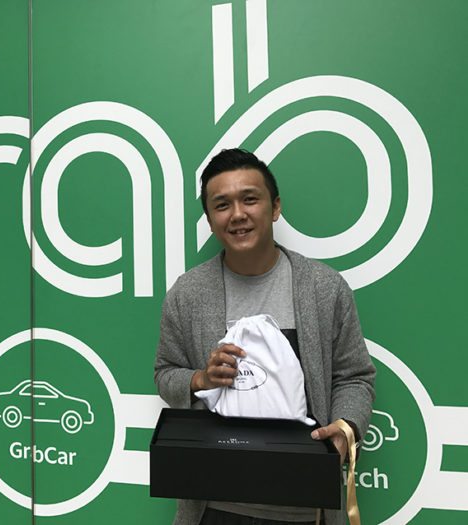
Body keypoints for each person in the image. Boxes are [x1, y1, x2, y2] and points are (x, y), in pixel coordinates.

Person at [154, 148, 375, 525]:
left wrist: (345, 428)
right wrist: (201, 379)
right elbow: (165, 373)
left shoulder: (324, 288)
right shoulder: (187, 294)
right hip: (214, 506)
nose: (237, 214)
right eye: (222, 204)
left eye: (250, 199)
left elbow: (354, 377)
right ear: (209, 220)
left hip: (306, 506)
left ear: (275, 207)